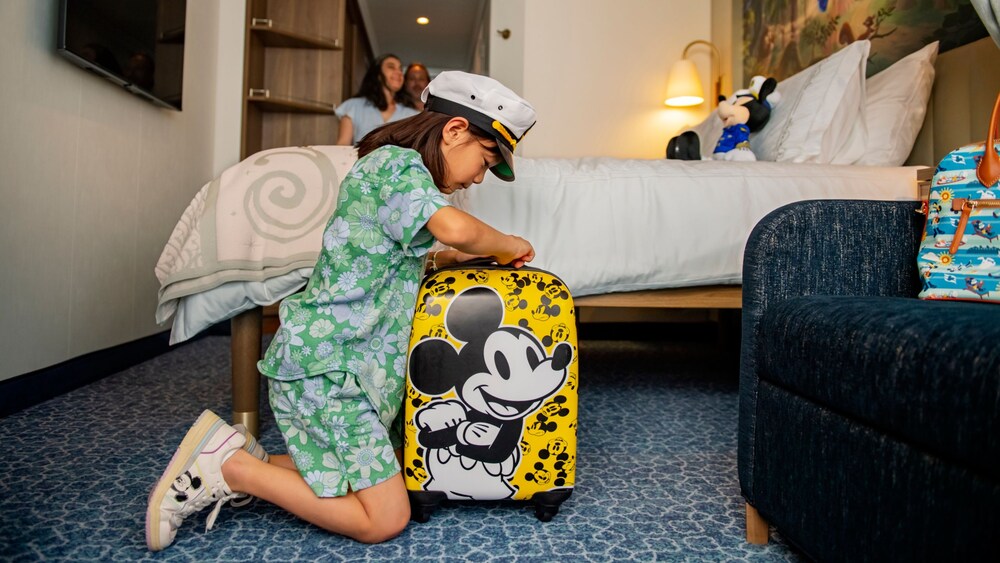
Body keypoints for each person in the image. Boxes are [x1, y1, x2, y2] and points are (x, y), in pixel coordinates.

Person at [146, 71, 538, 550]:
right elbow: (454, 227)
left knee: (383, 469)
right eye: (485, 159)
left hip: (350, 370)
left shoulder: (398, 178)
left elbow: (387, 256)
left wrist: (448, 260)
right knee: (385, 518)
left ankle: (242, 454)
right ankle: (231, 469)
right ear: (455, 130)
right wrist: (505, 244)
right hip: (326, 368)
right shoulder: (395, 165)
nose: (478, 176)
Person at [336, 54, 419, 146]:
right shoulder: (352, 107)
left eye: (400, 69)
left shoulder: (412, 115)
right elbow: (342, 146)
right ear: (378, 75)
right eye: (391, 67)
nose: (399, 72)